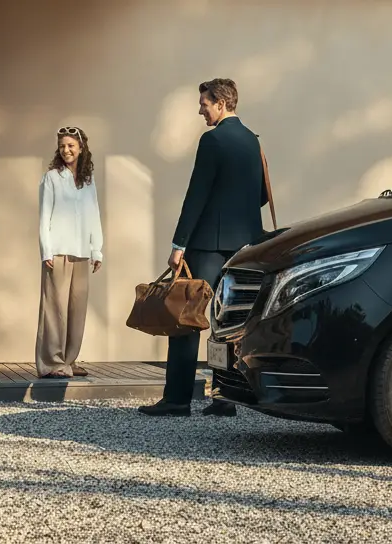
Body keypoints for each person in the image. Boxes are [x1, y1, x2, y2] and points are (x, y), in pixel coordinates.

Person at [139, 78, 266, 417]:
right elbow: (262, 195)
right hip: (246, 244)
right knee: (230, 321)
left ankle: (177, 399)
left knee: (185, 318)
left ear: (221, 104)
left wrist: (179, 244)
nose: (201, 110)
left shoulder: (213, 140)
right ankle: (226, 398)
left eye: (205, 104)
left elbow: (196, 195)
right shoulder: (253, 142)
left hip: (208, 243)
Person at [36, 126, 104, 380]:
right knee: (55, 309)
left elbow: (93, 214)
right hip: (58, 251)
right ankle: (51, 362)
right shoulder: (52, 178)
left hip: (81, 251)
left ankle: (69, 359)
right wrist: (46, 251)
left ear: (81, 147)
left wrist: (97, 249)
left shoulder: (87, 180)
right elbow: (44, 216)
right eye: (62, 146)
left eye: (71, 146)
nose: (66, 150)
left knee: (77, 308)